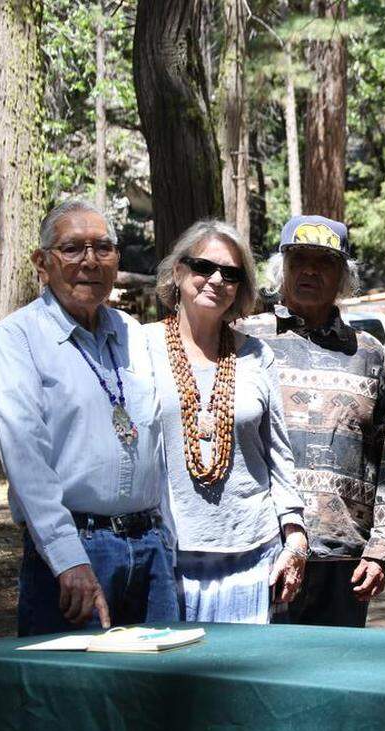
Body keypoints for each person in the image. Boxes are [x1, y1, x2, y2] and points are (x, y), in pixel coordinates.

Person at [0, 199, 178, 636]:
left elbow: (159, 446)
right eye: (72, 249)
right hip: (77, 550)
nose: (89, 261)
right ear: (42, 262)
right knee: (72, 696)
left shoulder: (132, 333)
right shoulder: (17, 339)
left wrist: (168, 541)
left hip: (151, 549)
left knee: (159, 696)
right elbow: (25, 461)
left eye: (103, 248)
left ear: (117, 260)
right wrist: (66, 556)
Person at [242, 215, 385, 627]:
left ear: (344, 277)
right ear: (281, 270)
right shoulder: (244, 340)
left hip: (345, 559)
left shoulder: (372, 355)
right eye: (299, 259)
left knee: (335, 683)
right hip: (262, 547)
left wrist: (383, 547)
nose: (310, 270)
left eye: (325, 261)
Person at [145, 220, 308, 624]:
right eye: (204, 266)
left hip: (253, 554)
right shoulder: (139, 345)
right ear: (178, 271)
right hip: (169, 555)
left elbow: (278, 453)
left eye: (231, 274)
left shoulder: (256, 355)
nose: (216, 279)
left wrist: (295, 533)